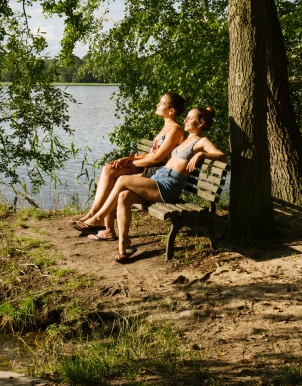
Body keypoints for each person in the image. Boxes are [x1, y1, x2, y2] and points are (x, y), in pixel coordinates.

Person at [83, 106, 224, 263]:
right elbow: (159, 155)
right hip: (158, 179)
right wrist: (133, 159)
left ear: (201, 123)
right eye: (187, 117)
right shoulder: (186, 140)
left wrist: (201, 154)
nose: (185, 120)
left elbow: (221, 156)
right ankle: (124, 245)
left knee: (122, 179)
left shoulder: (201, 141)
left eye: (190, 118)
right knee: (124, 196)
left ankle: (99, 218)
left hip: (169, 186)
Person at [70, 92, 186, 232]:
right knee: (109, 169)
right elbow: (151, 154)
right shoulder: (166, 128)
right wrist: (130, 159)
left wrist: (131, 164)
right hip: (148, 166)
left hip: (156, 172)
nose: (157, 105)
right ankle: (92, 214)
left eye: (161, 103)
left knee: (115, 178)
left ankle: (102, 223)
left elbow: (157, 159)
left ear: (171, 111)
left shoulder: (175, 130)